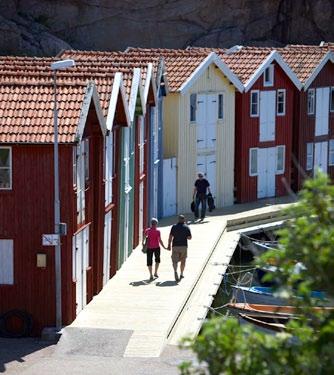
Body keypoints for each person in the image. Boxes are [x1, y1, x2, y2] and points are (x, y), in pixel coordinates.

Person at [167, 215, 192, 282]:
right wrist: (184, 236)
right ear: (184, 220)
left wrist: (169, 245)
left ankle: (175, 271)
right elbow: (190, 238)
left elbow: (170, 236)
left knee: (174, 260)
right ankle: (181, 274)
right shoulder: (186, 227)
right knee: (183, 261)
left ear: (178, 219)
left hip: (175, 246)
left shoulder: (174, 227)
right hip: (183, 246)